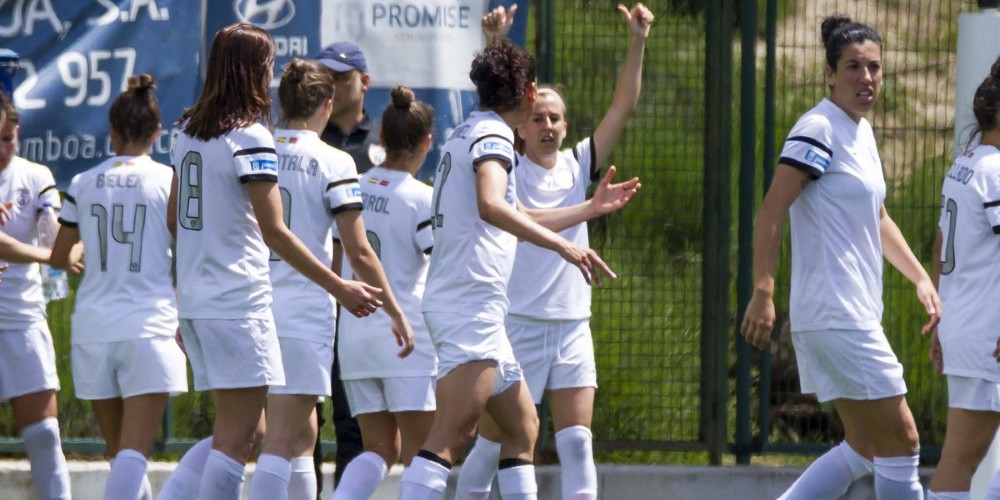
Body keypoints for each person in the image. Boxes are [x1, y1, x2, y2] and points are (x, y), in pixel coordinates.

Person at [398, 36, 640, 499]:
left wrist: (580, 217)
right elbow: (491, 204)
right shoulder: (492, 137)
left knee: (523, 428)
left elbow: (500, 208)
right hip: (469, 307)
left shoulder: (468, 130)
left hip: (480, 310)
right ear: (528, 93)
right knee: (450, 437)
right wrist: (563, 246)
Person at [160, 23, 383, 500]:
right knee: (238, 440)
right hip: (237, 302)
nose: (270, 75)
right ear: (251, 70)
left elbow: (176, 220)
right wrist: (339, 286)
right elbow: (275, 233)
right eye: (266, 64)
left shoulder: (187, 131)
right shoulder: (250, 136)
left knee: (254, 432)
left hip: (199, 301)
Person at [456, 4, 652, 500]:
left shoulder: (577, 163)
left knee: (577, 443)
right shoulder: (503, 167)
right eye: (538, 116)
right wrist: (493, 41)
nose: (547, 125)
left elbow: (623, 106)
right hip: (517, 324)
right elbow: (521, 224)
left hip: (570, 324)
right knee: (491, 444)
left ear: (566, 127)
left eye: (556, 118)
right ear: (521, 125)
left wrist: (638, 40)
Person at [740, 14, 940, 500]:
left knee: (866, 446)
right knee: (904, 440)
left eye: (874, 67)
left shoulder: (861, 132)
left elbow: (879, 217)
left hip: (846, 314)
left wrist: (919, 278)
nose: (866, 78)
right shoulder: (818, 128)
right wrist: (763, 291)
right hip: (837, 315)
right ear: (830, 73)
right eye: (853, 67)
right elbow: (771, 209)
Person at [247, 59, 414, 500]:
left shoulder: (254, 148)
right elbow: (358, 251)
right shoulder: (334, 160)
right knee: (280, 441)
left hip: (251, 303)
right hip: (301, 312)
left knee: (303, 438)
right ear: (327, 103)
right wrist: (395, 310)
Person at [49, 74, 187, 500]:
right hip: (149, 328)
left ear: (111, 132)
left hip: (93, 327)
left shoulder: (83, 182)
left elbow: (58, 256)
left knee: (119, 454)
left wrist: (78, 256)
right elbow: (188, 250)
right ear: (157, 133)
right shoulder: (168, 180)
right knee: (132, 455)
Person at [333, 86, 438, 500]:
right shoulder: (421, 198)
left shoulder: (353, 185)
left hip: (356, 335)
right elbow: (441, 265)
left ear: (380, 141)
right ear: (427, 142)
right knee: (422, 453)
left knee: (379, 447)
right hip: (404, 338)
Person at [926, 57, 1000, 500]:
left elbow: (940, 246)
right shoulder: (995, 171)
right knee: (961, 458)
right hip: (987, 336)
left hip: (966, 327)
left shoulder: (967, 163)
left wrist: (940, 319)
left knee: (962, 457)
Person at [314, 40, 381, 490]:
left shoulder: (387, 139)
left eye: (342, 77)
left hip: (364, 299)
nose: (334, 87)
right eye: (327, 78)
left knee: (354, 422)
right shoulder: (307, 138)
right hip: (312, 291)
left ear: (365, 82)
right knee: (301, 417)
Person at [0, 90, 72, 500]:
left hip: (22, 320)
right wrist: (50, 255)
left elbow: (56, 233)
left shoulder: (35, 175)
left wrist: (66, 243)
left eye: (9, 139)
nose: (3, 148)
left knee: (45, 435)